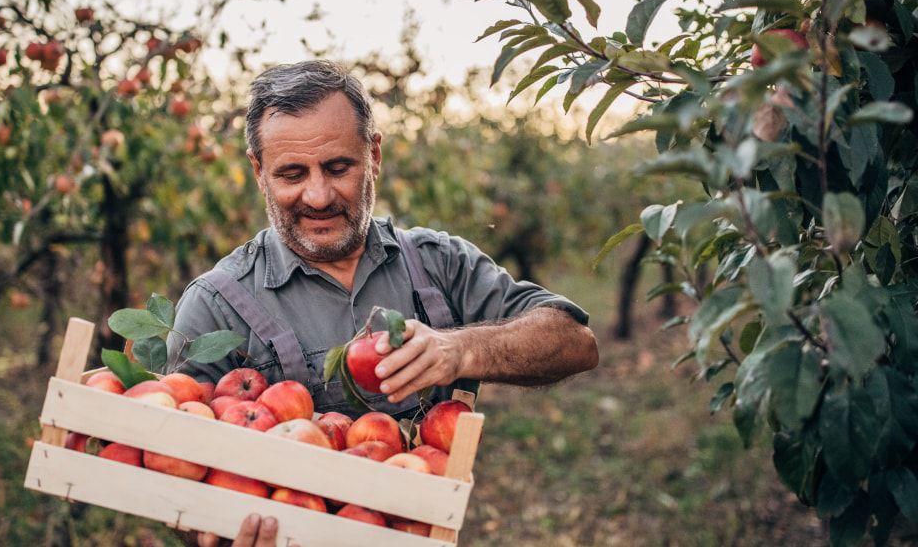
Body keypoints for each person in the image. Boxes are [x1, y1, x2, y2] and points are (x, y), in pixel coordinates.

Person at [165, 59, 598, 546]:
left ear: (373, 156)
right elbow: (177, 481)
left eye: (338, 167)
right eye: (291, 174)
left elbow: (575, 341)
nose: (319, 194)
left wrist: (461, 349)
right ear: (258, 172)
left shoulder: (437, 263)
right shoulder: (216, 304)